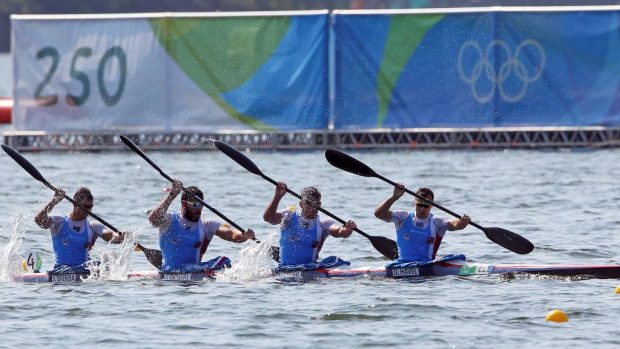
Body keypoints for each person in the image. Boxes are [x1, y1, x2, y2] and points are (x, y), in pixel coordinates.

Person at [148, 179, 255, 273]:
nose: (199, 209)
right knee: (223, 262)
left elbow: (231, 234)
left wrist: (243, 235)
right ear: (184, 204)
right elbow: (153, 220)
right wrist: (172, 195)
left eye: (201, 205)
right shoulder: (169, 220)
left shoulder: (206, 224)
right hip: (169, 269)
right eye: (195, 205)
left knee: (224, 260)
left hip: (194, 270)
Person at [263, 182, 356, 269]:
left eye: (317, 204)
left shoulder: (323, 222)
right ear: (301, 204)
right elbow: (268, 218)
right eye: (310, 204)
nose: (314, 208)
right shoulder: (289, 215)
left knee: (335, 260)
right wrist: (277, 197)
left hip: (309, 269)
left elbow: (340, 232)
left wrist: (347, 229)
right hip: (285, 269)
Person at [35, 187, 124, 274]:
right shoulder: (58, 223)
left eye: (90, 206)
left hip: (85, 270)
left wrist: (121, 237)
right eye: (85, 206)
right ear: (75, 204)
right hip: (61, 270)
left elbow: (111, 236)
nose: (89, 210)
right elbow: (38, 220)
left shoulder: (93, 226)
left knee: (106, 263)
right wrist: (54, 201)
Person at [374, 184, 470, 263]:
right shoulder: (402, 217)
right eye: (420, 205)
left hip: (428, 267)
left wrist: (462, 221)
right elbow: (378, 214)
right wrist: (394, 197)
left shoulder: (437, 222)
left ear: (431, 205)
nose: (422, 209)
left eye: (426, 206)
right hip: (403, 265)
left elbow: (455, 225)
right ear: (414, 203)